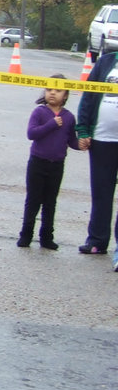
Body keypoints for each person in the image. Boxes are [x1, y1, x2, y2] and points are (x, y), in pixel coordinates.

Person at [18, 75, 80, 249]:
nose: (52, 93)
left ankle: (46, 237)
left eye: (58, 90)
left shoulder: (68, 117)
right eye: (49, 89)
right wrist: (52, 124)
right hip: (38, 162)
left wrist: (81, 144)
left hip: (57, 165)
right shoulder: (39, 112)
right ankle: (26, 234)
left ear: (66, 95)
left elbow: (71, 141)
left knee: (50, 202)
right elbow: (32, 134)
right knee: (33, 200)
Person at [75, 49, 118, 266]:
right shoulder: (106, 62)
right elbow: (89, 96)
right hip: (102, 139)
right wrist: (83, 129)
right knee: (101, 192)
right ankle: (97, 241)